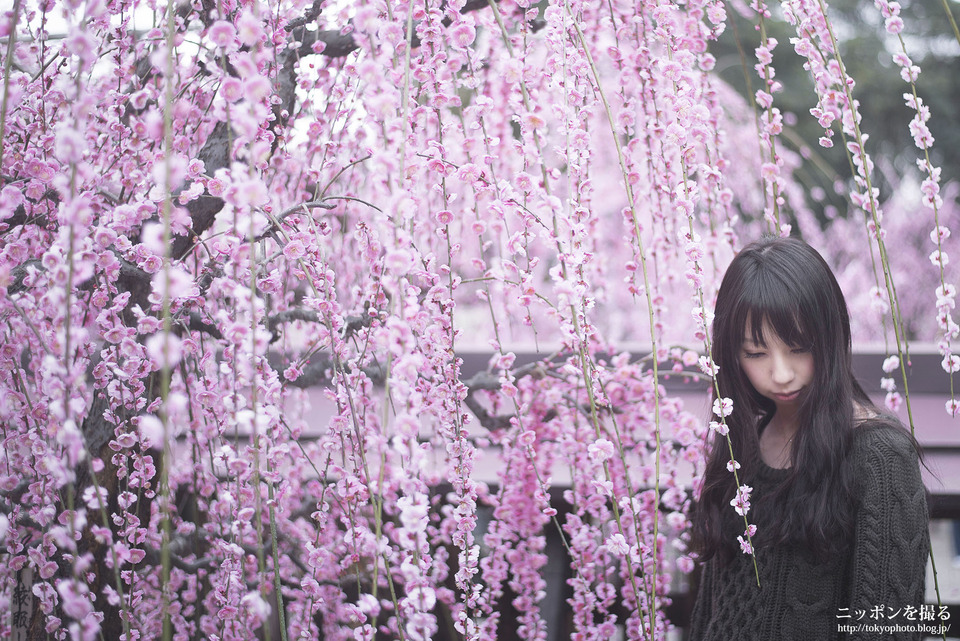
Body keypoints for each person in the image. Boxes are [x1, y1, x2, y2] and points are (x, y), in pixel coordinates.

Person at [689, 236, 930, 640]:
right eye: (756, 353)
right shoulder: (741, 444)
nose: (781, 374)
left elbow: (891, 627)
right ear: (731, 355)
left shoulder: (879, 456)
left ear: (830, 337)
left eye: (798, 348)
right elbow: (710, 611)